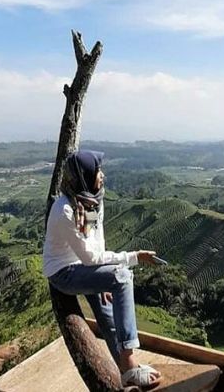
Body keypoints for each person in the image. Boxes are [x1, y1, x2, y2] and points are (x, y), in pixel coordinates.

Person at [42, 150, 162, 388]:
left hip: (83, 266)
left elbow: (98, 243)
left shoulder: (89, 199)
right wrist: (133, 257)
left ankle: (126, 375)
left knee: (108, 315)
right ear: (83, 176)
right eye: (97, 171)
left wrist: (102, 276)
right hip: (64, 273)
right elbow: (90, 256)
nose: (102, 175)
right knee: (123, 277)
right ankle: (129, 362)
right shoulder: (65, 210)